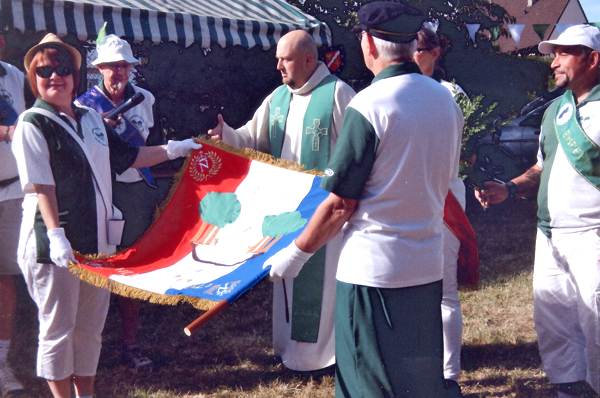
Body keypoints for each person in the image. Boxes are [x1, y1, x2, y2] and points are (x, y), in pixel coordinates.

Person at [264, 2, 463, 397]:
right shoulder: (446, 101)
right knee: (415, 382)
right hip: (426, 263)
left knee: (364, 382)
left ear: (368, 42)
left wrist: (296, 255)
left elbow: (341, 204)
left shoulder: (370, 103)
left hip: (373, 274)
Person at [12, 33, 200, 398]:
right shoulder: (32, 123)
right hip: (54, 249)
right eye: (44, 70)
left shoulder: (92, 119)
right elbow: (42, 186)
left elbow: (131, 157)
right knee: (57, 329)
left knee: (89, 329)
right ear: (33, 78)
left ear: (75, 75)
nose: (55, 77)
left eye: (62, 69)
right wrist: (56, 236)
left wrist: (177, 148)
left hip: (97, 243)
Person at [208, 29, 355, 373]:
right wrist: (226, 133)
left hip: (324, 211)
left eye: (285, 59)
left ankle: (321, 358)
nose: (278, 66)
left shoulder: (337, 94)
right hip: (287, 210)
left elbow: (355, 151)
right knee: (287, 277)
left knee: (322, 281)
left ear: (308, 59)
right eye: (277, 59)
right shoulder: (277, 99)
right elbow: (250, 138)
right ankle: (291, 349)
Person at [476, 24, 600, 398]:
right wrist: (510, 188)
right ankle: (568, 389)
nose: (553, 64)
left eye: (563, 54)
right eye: (553, 54)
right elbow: (543, 168)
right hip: (548, 234)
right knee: (554, 322)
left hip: (592, 235)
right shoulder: (555, 111)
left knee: (596, 323)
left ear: (592, 59)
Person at [75, 33, 160, 370]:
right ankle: (89, 340)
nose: (117, 73)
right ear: (99, 70)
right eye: (111, 67)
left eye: (123, 66)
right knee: (100, 264)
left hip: (137, 190)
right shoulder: (83, 105)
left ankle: (130, 342)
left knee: (131, 265)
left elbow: (143, 146)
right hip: (102, 190)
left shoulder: (145, 99)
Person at [414, 26, 472, 396]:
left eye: (418, 48)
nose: (412, 53)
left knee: (445, 287)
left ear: (435, 52)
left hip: (444, 190)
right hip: (409, 194)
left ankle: (449, 370)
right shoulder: (389, 91)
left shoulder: (452, 94)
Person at [0, 32, 26, 397]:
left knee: (6, 278)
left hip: (12, 189)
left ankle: (2, 367)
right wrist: (6, 130)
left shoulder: (15, 76)